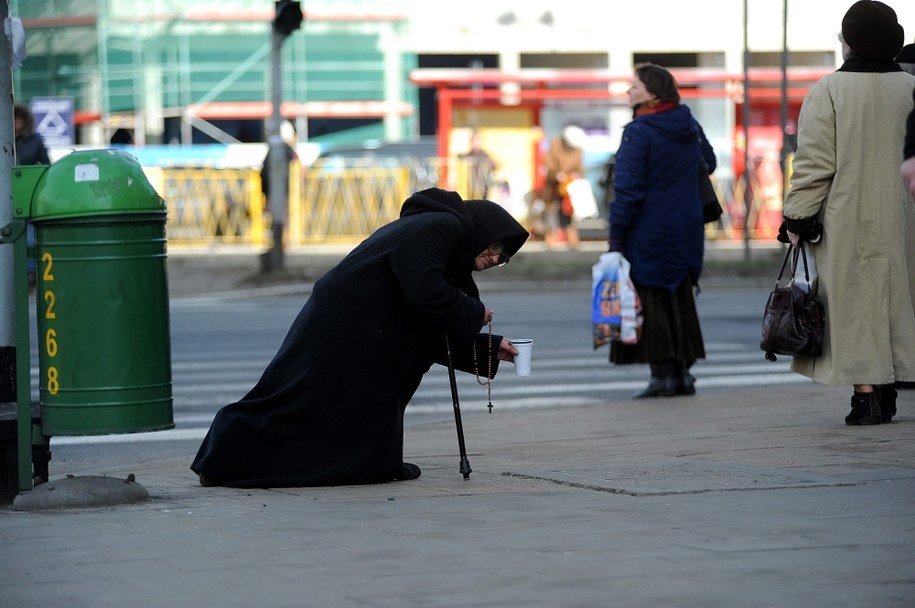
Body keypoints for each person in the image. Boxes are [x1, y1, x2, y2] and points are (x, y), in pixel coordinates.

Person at [191, 188, 530, 487]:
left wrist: (488, 347)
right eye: (496, 247)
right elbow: (424, 292)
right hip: (349, 318)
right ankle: (226, 457)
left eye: (503, 258)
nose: (496, 258)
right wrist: (473, 313)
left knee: (359, 403)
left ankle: (372, 465)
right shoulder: (442, 227)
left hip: (368, 325)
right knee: (303, 396)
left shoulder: (444, 244)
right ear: (482, 228)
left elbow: (431, 328)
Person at [780, 0, 915, 425]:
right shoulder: (911, 89)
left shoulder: (828, 91)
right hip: (906, 216)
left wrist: (797, 218)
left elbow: (814, 163)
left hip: (846, 218)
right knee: (901, 300)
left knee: (854, 305)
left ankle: (867, 398)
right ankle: (893, 385)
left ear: (850, 43)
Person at [607, 63, 716, 399]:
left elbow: (627, 190)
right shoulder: (687, 122)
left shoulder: (639, 131)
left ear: (652, 92)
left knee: (651, 297)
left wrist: (616, 237)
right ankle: (683, 375)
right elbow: (709, 163)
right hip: (686, 224)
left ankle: (663, 376)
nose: (629, 92)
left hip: (649, 228)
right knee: (679, 296)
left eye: (634, 86)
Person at [541, 125, 586, 249]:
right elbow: (548, 163)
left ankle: (572, 238)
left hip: (569, 189)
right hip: (553, 188)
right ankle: (551, 238)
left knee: (568, 214)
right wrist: (556, 174)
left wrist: (576, 175)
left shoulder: (578, 149)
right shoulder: (556, 145)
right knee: (551, 212)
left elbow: (580, 167)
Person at [459, 130, 497, 198]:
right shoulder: (468, 155)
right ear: (471, 142)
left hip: (483, 188)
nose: (477, 143)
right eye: (475, 140)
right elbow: (460, 162)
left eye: (478, 140)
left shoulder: (485, 155)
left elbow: (494, 166)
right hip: (470, 188)